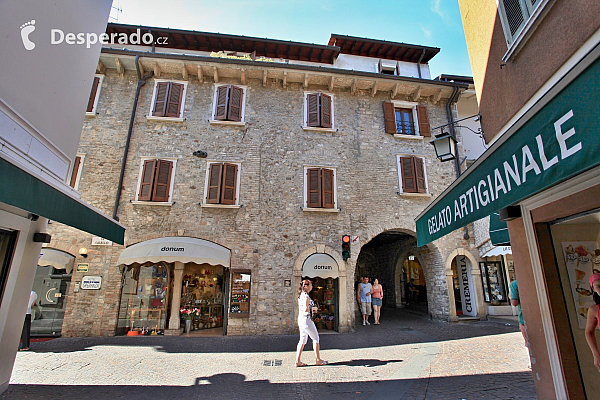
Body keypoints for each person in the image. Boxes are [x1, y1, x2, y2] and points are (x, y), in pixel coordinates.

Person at [295, 278, 327, 367]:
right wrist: (314, 309)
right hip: (307, 320)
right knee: (316, 338)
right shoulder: (305, 296)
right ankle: (318, 360)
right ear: (306, 286)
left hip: (301, 319)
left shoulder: (301, 295)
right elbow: (306, 309)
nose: (312, 287)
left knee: (302, 340)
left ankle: (297, 361)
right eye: (311, 285)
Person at [585, 273, 600, 370]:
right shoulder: (594, 310)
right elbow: (589, 332)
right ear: (593, 289)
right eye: (598, 286)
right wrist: (596, 354)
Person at [510, 279, 527, 347]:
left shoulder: (515, 284)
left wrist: (510, 296)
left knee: (529, 343)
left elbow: (514, 303)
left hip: (524, 316)